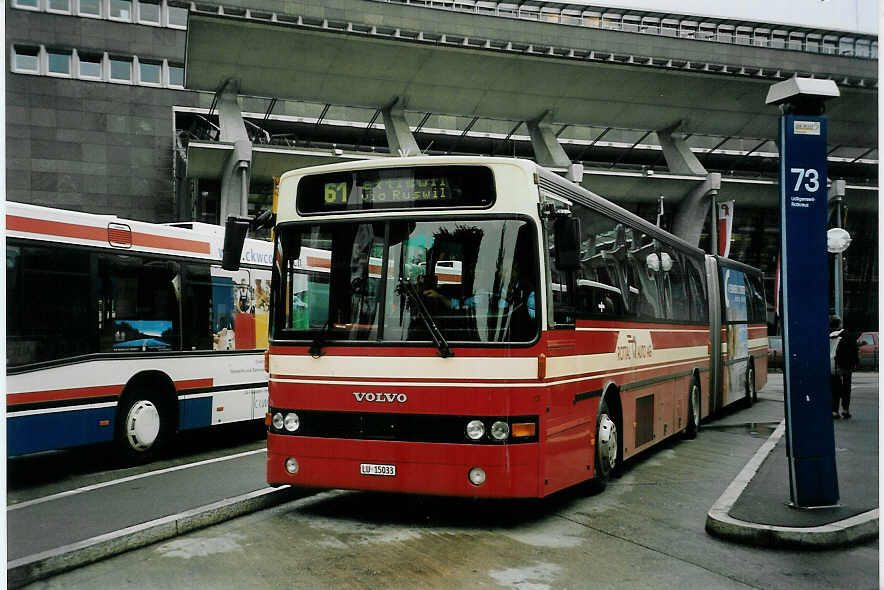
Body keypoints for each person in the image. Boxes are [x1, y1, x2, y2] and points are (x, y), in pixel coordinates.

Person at [830, 315, 859, 419]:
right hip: (845, 365)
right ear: (840, 323)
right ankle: (845, 409)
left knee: (834, 388)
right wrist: (855, 363)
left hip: (831, 365)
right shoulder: (847, 335)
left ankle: (834, 410)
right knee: (846, 387)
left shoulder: (828, 335)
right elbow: (854, 350)